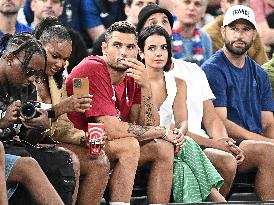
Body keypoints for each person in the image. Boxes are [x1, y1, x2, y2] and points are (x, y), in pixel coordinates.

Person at [136, 4, 245, 197]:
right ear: (141, 46)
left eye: (165, 22)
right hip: (170, 141)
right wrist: (213, 144)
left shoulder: (192, 71)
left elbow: (211, 118)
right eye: (153, 23)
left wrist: (222, 142)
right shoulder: (136, 77)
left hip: (190, 139)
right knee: (194, 159)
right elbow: (162, 125)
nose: (160, 26)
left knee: (224, 158)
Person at [66, 21, 177, 204]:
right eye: (117, 45)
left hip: (100, 144)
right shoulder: (92, 68)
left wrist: (146, 86)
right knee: (129, 145)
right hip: (74, 142)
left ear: (137, 52)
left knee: (163, 148)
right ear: (104, 48)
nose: (124, 52)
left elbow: (147, 126)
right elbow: (111, 129)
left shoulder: (133, 75)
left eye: (130, 46)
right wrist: (163, 131)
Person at [33, 16, 110, 205]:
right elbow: (27, 121)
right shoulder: (24, 75)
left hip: (49, 143)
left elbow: (62, 128)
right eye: (55, 56)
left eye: (65, 59)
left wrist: (83, 137)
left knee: (100, 161)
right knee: (70, 160)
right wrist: (59, 108)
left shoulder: (56, 81)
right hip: (25, 143)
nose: (60, 64)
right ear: (39, 47)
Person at [202, 5, 274, 200]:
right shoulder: (212, 69)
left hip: (255, 142)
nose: (239, 35)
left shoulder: (259, 73)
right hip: (225, 144)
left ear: (254, 34)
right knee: (269, 151)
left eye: (246, 29)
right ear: (223, 31)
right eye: (234, 29)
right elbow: (220, 121)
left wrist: (269, 140)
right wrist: (266, 142)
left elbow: (268, 123)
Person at [0, 32, 80, 205]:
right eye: (28, 71)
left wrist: (39, 127)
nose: (31, 79)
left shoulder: (26, 88)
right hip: (4, 153)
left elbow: (26, 140)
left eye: (36, 75)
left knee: (65, 159)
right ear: (8, 58)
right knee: (28, 165)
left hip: (12, 150)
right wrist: (2, 123)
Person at [30, 0, 88, 74]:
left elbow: (83, 76)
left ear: (61, 9)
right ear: (33, 5)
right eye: (44, 0)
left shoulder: (73, 39)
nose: (49, 5)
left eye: (55, 1)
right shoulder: (22, 39)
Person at [203, 0, 268, 65]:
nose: (236, 6)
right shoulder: (207, 34)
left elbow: (263, 67)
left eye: (241, 1)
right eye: (230, 2)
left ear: (250, 4)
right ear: (223, 5)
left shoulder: (253, 33)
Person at [171, 0, 212, 65]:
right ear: (175, 7)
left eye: (197, 4)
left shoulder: (205, 38)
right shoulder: (164, 36)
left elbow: (207, 70)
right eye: (187, 2)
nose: (191, 8)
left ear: (203, 12)